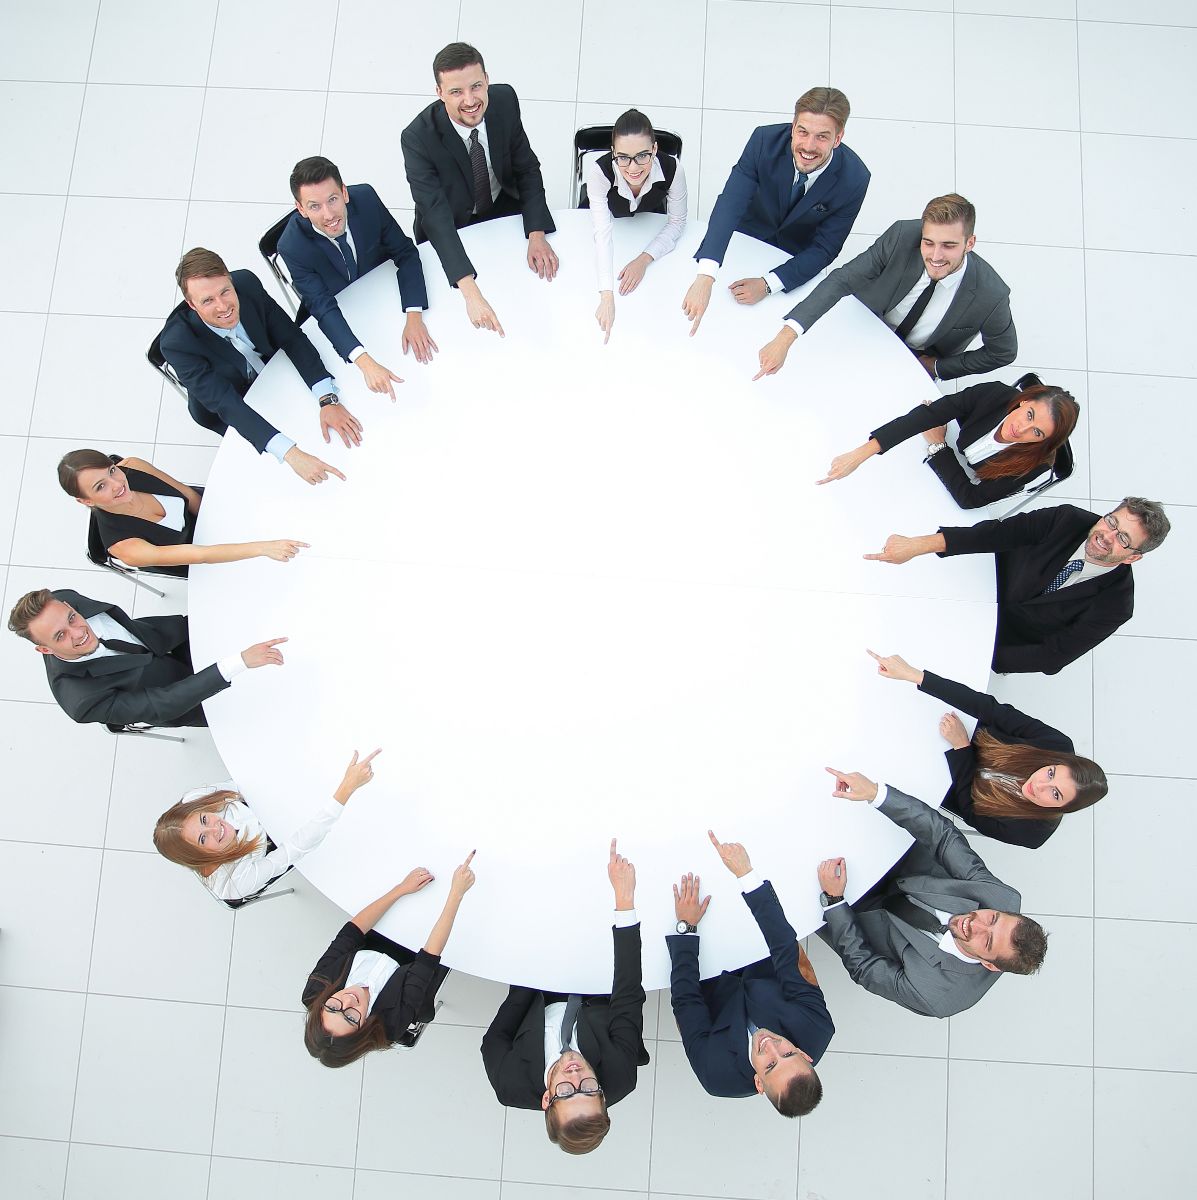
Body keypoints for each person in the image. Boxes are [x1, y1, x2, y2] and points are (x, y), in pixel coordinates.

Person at [817, 768, 1049, 1018]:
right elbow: (943, 837)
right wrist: (875, 793)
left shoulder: (938, 997)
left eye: (987, 941)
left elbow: (864, 968)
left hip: (853, 919)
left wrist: (834, 901)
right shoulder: (1001, 897)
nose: (976, 923)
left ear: (989, 965)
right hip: (893, 861)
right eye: (992, 918)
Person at [864, 497, 1171, 675]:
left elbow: (1052, 655)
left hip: (997, 640)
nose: (1107, 535)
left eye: (1123, 539)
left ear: (1133, 558)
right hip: (978, 585)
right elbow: (997, 535)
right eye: (1112, 522)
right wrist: (918, 545)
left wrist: (977, 657)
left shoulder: (1116, 606)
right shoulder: (1067, 519)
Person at [480, 839, 649, 1155]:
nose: (576, 1076)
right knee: (589, 894)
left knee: (536, 897)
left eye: (566, 1091)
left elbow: (496, 1039)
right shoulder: (620, 1076)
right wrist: (624, 898)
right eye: (588, 1088)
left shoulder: (509, 1082)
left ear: (547, 1100)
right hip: (596, 986)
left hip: (537, 988)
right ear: (602, 1094)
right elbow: (628, 995)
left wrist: (530, 968)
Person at [756, 193, 1016, 382]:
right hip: (866, 327)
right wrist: (785, 338)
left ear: (969, 243)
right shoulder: (902, 236)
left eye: (948, 245)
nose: (935, 256)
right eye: (928, 243)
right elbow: (842, 279)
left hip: (913, 360)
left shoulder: (991, 295)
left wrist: (938, 367)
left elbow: (1003, 353)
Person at [666, 831, 834, 1116]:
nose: (770, 1047)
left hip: (706, 973)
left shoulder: (715, 1074)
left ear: (758, 1082)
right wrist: (746, 876)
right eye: (788, 1053)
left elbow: (685, 1003)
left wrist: (686, 927)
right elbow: (785, 950)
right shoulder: (817, 1028)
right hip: (758, 952)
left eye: (769, 1064)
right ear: (805, 1055)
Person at [868, 650, 1108, 848]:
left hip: (947, 780)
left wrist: (961, 747)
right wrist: (915, 675)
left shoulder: (1033, 833)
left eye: (1055, 794)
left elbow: (970, 812)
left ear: (1063, 808)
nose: (1041, 785)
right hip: (955, 728)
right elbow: (990, 709)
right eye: (1051, 772)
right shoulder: (1057, 745)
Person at [682, 86, 869, 336]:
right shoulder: (763, 141)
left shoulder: (855, 179)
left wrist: (769, 284)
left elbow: (826, 248)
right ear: (793, 127)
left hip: (790, 256)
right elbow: (731, 203)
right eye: (802, 132)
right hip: (745, 236)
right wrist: (706, 275)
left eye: (822, 137)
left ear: (838, 138)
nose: (809, 146)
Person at [401, 42, 557, 337]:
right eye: (456, 92)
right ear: (439, 93)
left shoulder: (505, 100)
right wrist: (471, 292)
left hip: (502, 205)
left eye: (476, 86)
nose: (470, 100)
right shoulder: (417, 138)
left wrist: (536, 233)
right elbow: (434, 215)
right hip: (454, 223)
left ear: (487, 79)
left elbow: (526, 168)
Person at [159, 249, 349, 486]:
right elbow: (227, 404)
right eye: (207, 301)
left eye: (225, 291)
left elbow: (292, 338)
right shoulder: (177, 344)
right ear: (191, 305)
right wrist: (291, 454)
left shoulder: (247, 285)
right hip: (233, 400)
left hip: (274, 372)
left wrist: (326, 397)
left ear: (230, 280)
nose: (222, 307)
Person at [7, 588, 285, 728]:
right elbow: (163, 704)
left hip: (167, 640)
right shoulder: (82, 701)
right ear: (45, 650)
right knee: (269, 712)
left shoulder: (63, 600)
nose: (79, 632)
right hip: (180, 697)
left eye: (72, 618)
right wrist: (238, 663)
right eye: (60, 637)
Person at [278, 155, 435, 400]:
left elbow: (404, 252)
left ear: (345, 193)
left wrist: (414, 315)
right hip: (339, 305)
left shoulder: (367, 199)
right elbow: (322, 307)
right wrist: (365, 362)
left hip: (382, 291)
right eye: (314, 206)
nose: (329, 215)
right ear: (301, 209)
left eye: (332, 200)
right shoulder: (291, 246)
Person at [303, 851, 476, 1067]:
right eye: (351, 1017)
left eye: (332, 1007)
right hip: (416, 960)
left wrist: (401, 889)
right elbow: (428, 959)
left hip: (380, 934)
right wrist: (456, 893)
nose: (347, 1000)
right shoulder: (391, 1023)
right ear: (364, 1027)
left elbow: (351, 932)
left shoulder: (316, 990)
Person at [153, 748, 380, 903]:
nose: (215, 828)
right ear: (200, 858)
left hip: (270, 801)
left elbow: (250, 782)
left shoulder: (194, 799)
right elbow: (295, 848)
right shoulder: (235, 883)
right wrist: (346, 788)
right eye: (204, 839)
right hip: (282, 836)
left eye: (204, 819)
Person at [817, 375, 1079, 510]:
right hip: (943, 464)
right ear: (1024, 400)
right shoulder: (995, 394)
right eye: (1029, 415)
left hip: (941, 484)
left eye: (1037, 433)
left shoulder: (1035, 465)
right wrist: (861, 453)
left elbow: (970, 498)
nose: (1021, 429)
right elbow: (929, 416)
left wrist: (939, 447)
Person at [57, 449, 307, 575]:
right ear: (85, 501)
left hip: (210, 518)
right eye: (100, 487)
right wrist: (262, 547)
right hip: (203, 562)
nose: (118, 483)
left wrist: (232, 525)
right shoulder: (125, 548)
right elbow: (200, 555)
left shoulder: (133, 466)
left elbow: (187, 495)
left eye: (112, 471)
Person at [585, 109, 687, 343]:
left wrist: (643, 260)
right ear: (613, 153)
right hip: (609, 218)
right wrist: (607, 295)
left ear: (654, 149)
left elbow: (677, 222)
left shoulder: (673, 169)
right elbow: (602, 234)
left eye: (642, 156)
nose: (633, 168)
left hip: (650, 218)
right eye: (623, 158)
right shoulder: (600, 173)